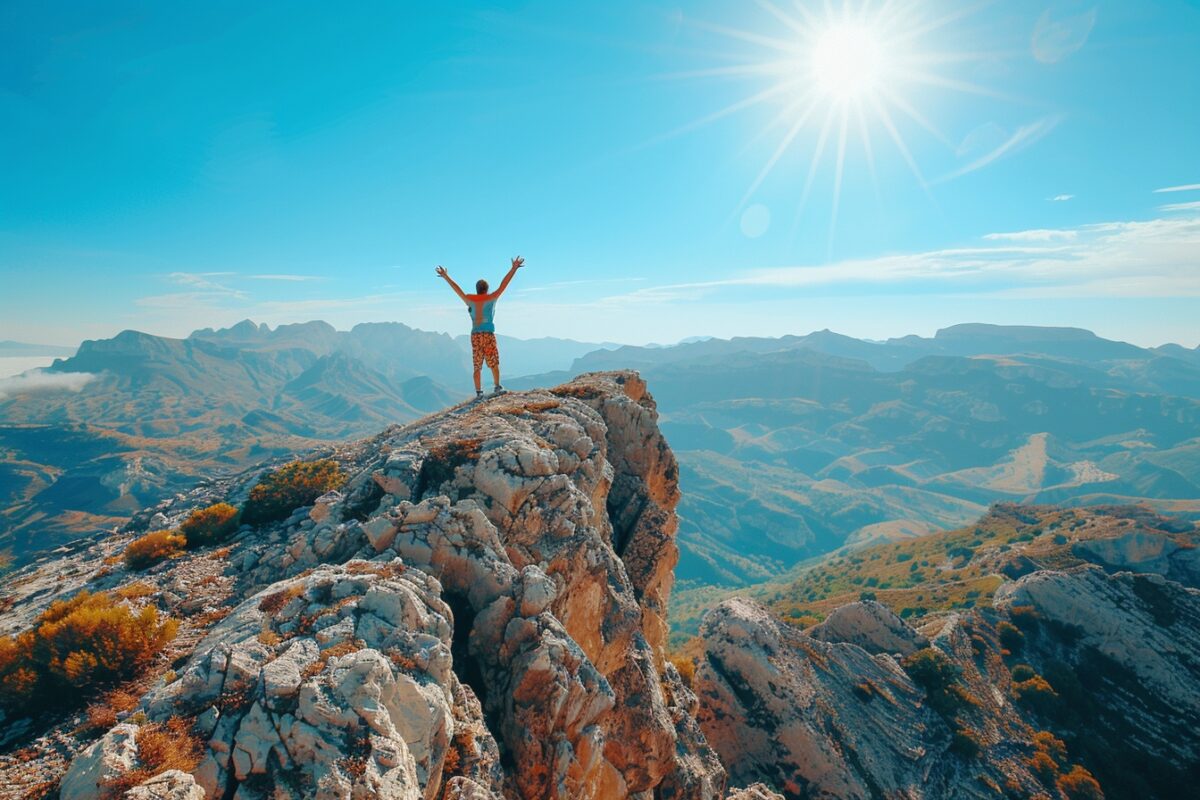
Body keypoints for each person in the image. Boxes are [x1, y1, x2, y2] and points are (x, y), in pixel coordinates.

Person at [436, 256, 524, 397]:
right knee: (493, 361)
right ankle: (497, 386)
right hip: (488, 334)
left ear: (477, 290)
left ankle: (479, 393)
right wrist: (513, 268)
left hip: (475, 335)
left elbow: (456, 288)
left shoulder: (469, 299)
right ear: (487, 289)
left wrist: (446, 276)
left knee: (477, 365)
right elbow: (504, 284)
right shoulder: (492, 297)